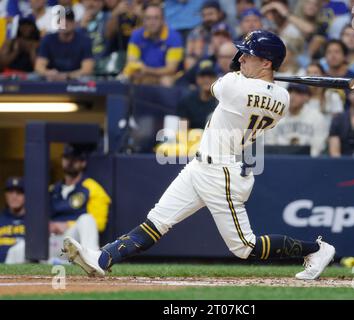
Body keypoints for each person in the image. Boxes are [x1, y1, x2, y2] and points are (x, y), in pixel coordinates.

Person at [63, 30, 336, 281]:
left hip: (222, 174)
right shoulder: (283, 99)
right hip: (201, 166)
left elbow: (221, 83)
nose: (241, 58)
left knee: (245, 247)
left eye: (248, 55)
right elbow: (251, 85)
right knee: (157, 221)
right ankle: (103, 257)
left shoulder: (233, 86)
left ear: (267, 63)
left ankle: (316, 249)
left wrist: (240, 74)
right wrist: (253, 75)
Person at [48, 144, 111, 260]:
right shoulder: (52, 189)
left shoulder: (92, 187)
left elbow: (99, 223)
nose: (70, 162)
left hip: (73, 239)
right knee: (18, 249)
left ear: (83, 162)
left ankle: (92, 261)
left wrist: (67, 225)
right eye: (67, 158)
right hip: (52, 241)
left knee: (86, 219)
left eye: (74, 159)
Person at [122, 4, 183, 86]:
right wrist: (138, 70)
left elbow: (171, 69)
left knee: (166, 81)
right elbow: (132, 61)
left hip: (166, 76)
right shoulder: (136, 35)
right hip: (144, 74)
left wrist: (147, 70)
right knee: (127, 77)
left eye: (156, 18)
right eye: (148, 18)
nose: (152, 22)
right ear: (143, 20)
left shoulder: (174, 37)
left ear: (163, 20)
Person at [265, 83, 329, 157]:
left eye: (298, 92)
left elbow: (318, 146)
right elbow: (270, 144)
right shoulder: (275, 117)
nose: (292, 96)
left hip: (309, 162)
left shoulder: (317, 118)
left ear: (307, 97)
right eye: (290, 92)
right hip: (280, 161)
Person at [34, 8, 94, 81]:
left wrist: (67, 76)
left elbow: (87, 69)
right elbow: (39, 66)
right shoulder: (48, 39)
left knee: (86, 79)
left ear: (74, 23)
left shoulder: (84, 40)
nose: (64, 23)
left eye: (68, 20)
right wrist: (47, 73)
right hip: (52, 78)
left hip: (75, 79)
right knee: (34, 77)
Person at [176, 61, 218, 130]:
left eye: (211, 76)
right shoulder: (187, 101)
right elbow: (182, 130)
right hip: (191, 139)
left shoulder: (220, 102)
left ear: (216, 79)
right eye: (202, 76)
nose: (207, 80)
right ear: (197, 79)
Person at [185, 1, 226, 70]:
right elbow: (189, 54)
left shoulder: (227, 30)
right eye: (204, 15)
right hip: (199, 68)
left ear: (219, 14)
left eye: (210, 14)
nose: (207, 18)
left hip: (219, 66)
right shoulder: (195, 32)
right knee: (189, 60)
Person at [0, 177, 26, 264]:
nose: (14, 196)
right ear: (5, 195)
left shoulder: (34, 221)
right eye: (10, 192)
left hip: (25, 270)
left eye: (19, 192)